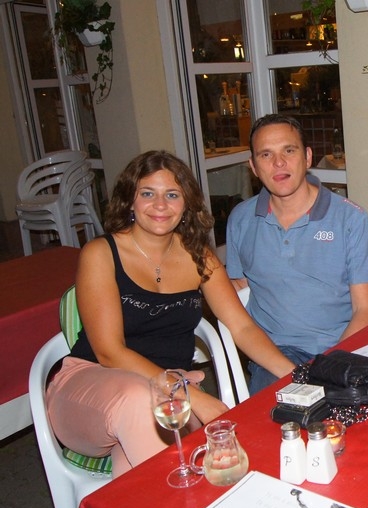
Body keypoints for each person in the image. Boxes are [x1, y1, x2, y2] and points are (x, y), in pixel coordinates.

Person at [46, 151, 296, 477]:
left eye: (172, 195)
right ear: (130, 201)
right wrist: (190, 396)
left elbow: (242, 327)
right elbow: (109, 352)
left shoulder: (199, 257)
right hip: (89, 390)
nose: (160, 205)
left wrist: (296, 375)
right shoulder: (101, 253)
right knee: (141, 400)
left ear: (186, 204)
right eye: (148, 193)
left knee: (154, 477)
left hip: (164, 395)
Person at [226, 114, 368, 395]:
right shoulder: (241, 219)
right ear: (253, 166)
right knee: (275, 419)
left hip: (340, 346)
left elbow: (364, 310)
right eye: (266, 154)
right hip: (275, 354)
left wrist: (330, 366)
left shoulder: (351, 219)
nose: (279, 163)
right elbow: (239, 291)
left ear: (307, 157)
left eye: (289, 150)